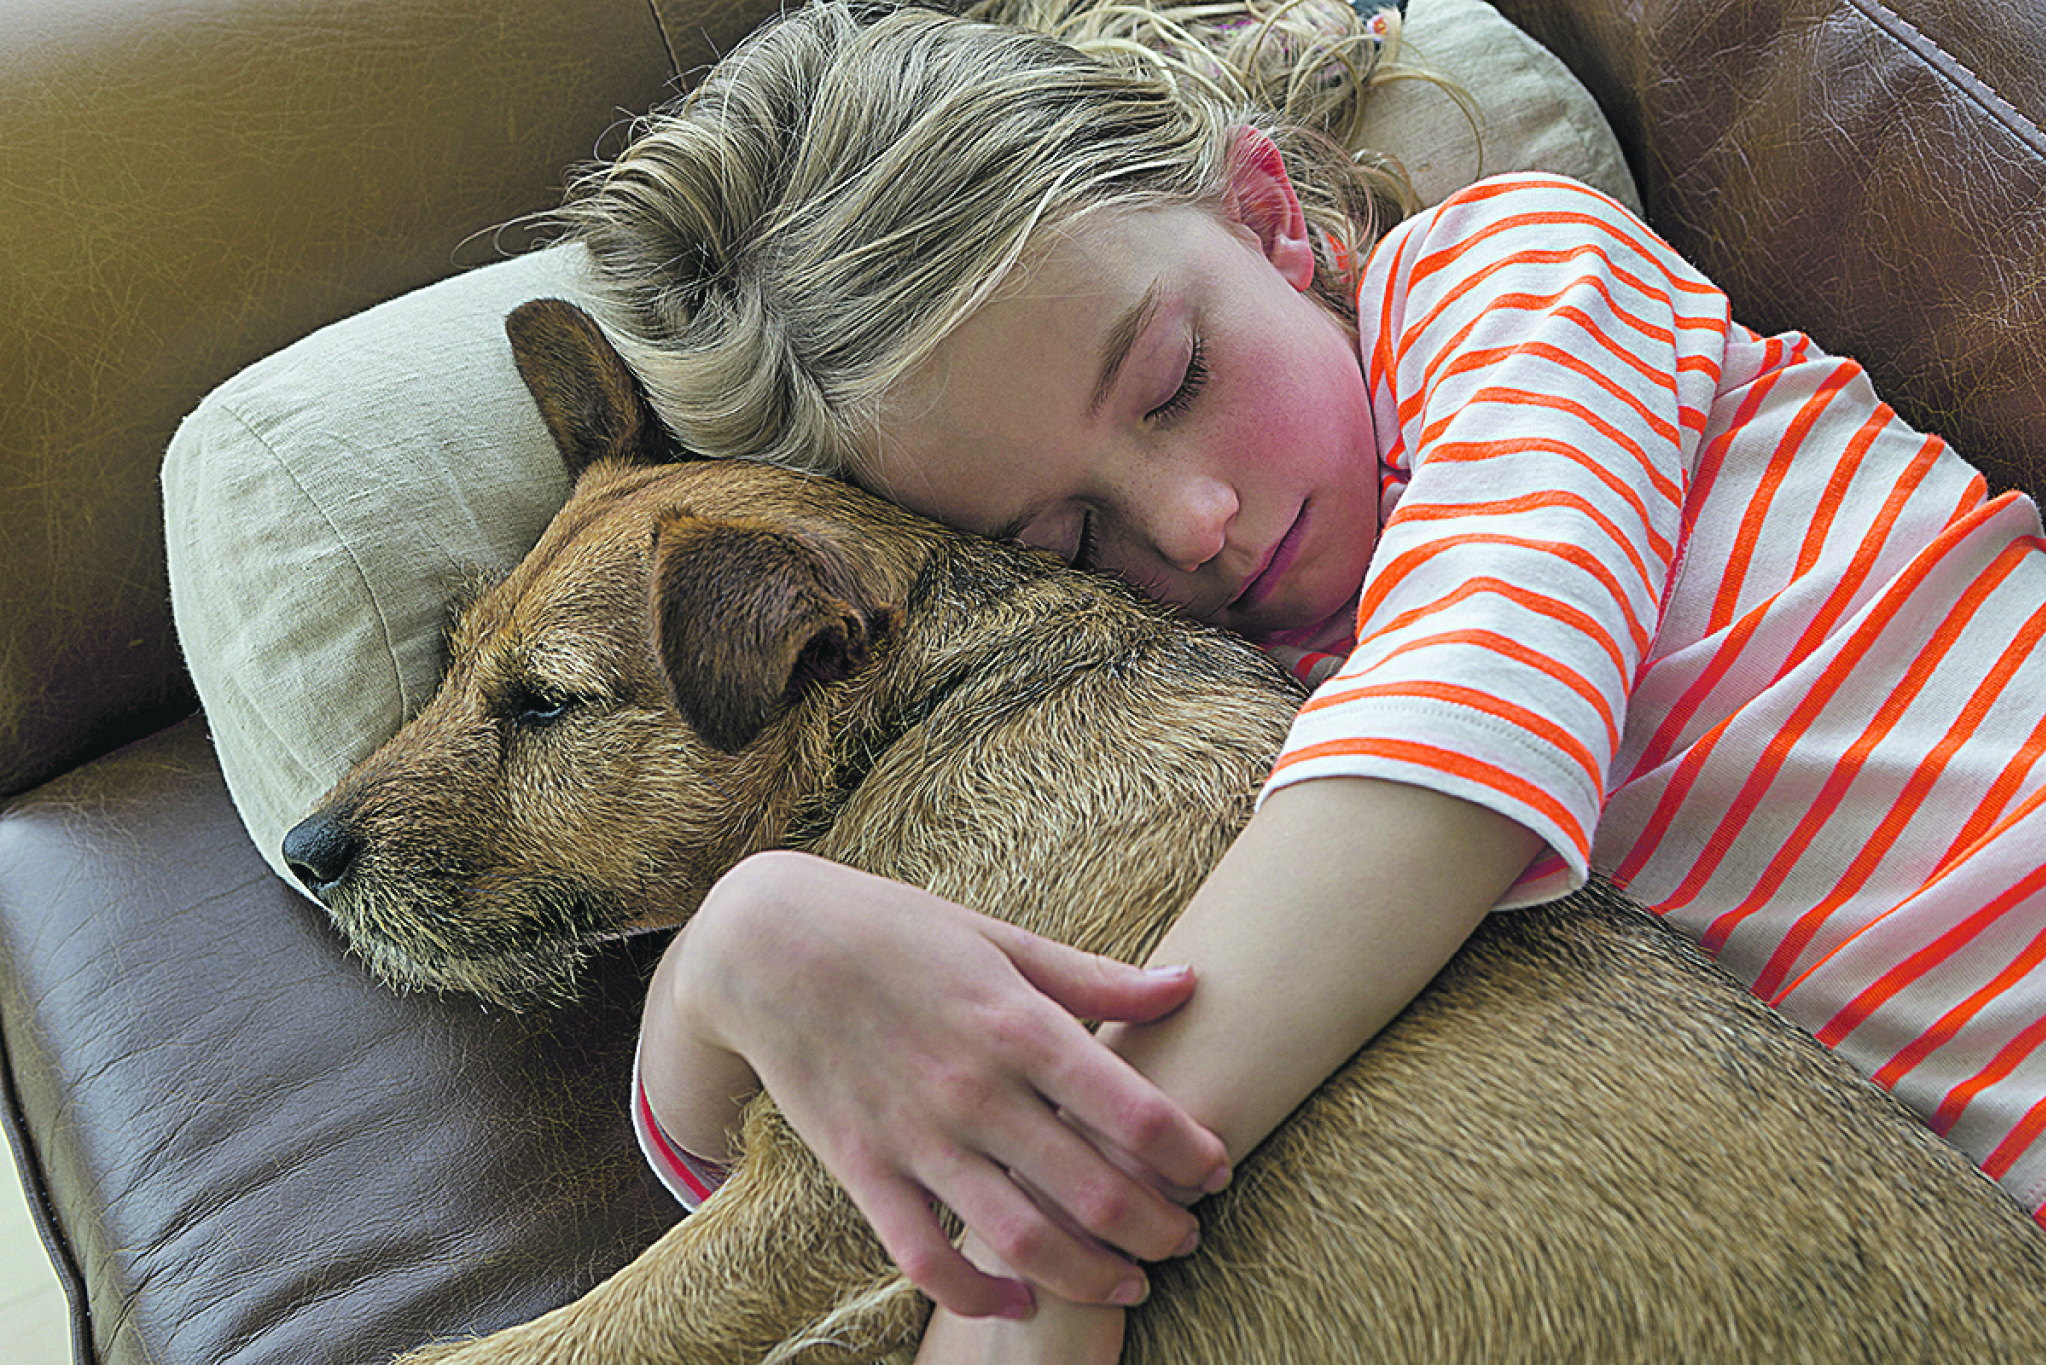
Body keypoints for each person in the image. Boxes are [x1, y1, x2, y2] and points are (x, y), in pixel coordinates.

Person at [564, 2, 2046, 1360]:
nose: (1193, 522)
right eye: (1066, 535)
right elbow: (825, 1166)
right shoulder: (1167, 704)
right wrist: (734, 959)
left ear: (1266, 216)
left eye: (1172, 382)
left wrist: (1065, 1235)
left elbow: (1458, 735)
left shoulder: (1512, 279)